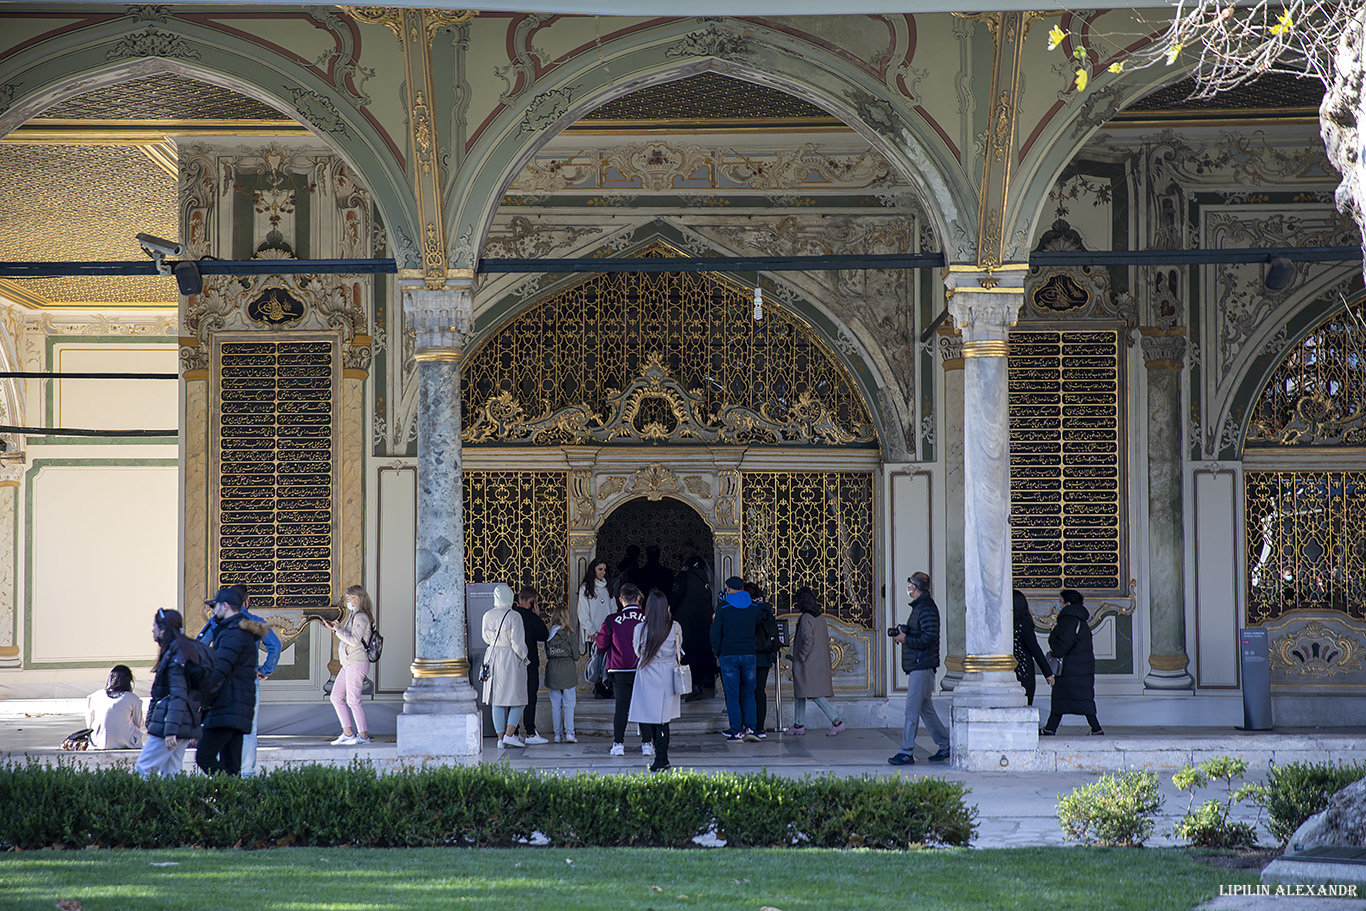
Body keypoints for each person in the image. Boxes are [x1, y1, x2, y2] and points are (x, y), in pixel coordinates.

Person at [199, 584, 281, 775]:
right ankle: (245, 774)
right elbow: (275, 647)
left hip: (222, 681)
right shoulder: (253, 622)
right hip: (248, 681)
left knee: (221, 725)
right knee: (248, 728)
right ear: (246, 601)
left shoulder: (217, 622)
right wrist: (265, 670)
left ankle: (223, 775)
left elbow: (201, 646)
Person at [136, 609, 211, 777]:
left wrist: (171, 729)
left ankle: (147, 804)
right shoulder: (182, 650)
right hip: (183, 722)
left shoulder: (176, 655)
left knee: (143, 768)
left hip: (171, 722)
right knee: (171, 771)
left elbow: (179, 694)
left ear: (163, 630)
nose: (152, 630)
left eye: (154, 626)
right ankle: (174, 803)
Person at [888, 572, 950, 765]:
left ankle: (906, 751)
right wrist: (907, 631)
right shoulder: (921, 607)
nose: (908, 588)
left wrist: (906, 639)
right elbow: (923, 632)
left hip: (921, 665)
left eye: (909, 584)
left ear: (915, 587)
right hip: (919, 664)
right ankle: (945, 745)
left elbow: (929, 637)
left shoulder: (925, 608)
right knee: (926, 710)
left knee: (911, 710)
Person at [628, 590, 682, 772]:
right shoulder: (675, 627)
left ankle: (657, 755)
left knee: (648, 716)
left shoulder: (640, 628)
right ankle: (662, 757)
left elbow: (637, 651)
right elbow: (678, 648)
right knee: (663, 720)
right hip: (667, 674)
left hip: (647, 674)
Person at [596, 581, 650, 757]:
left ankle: (618, 744)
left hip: (619, 670)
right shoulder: (647, 617)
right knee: (644, 707)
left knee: (621, 708)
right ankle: (647, 744)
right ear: (639, 598)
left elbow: (601, 645)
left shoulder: (612, 620)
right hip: (642, 668)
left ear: (620, 599)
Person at [1040, 589, 1104, 736]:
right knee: (1078, 699)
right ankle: (1094, 728)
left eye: (1061, 601)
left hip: (1071, 669)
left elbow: (1063, 645)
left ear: (1068, 603)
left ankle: (1052, 728)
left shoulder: (1069, 620)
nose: (1059, 604)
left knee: (1062, 698)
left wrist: (1053, 647)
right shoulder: (1078, 619)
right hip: (1080, 669)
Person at [784, 588, 845, 737]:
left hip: (807, 663)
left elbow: (808, 640)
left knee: (815, 694)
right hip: (818, 662)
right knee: (800, 692)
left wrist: (801, 657)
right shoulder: (820, 617)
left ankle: (837, 722)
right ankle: (798, 724)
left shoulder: (806, 618)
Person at [323, 585, 375, 746]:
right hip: (348, 664)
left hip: (356, 663)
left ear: (356, 598)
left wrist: (338, 630)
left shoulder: (360, 617)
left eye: (348, 598)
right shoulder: (354, 615)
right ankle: (347, 734)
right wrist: (337, 629)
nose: (346, 601)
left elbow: (354, 641)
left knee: (353, 701)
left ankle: (363, 737)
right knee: (336, 696)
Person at [711, 576, 760, 742]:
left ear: (729, 589)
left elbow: (715, 633)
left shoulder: (723, 608)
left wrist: (718, 652)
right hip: (749, 654)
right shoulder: (754, 607)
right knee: (749, 693)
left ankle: (737, 730)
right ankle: (751, 728)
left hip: (728, 655)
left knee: (732, 695)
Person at [482, 583, 529, 748]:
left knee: (497, 700)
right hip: (510, 657)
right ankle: (510, 734)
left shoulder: (487, 615)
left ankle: (501, 739)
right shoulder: (514, 616)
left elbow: (486, 638)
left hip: (493, 655)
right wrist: (524, 656)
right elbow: (517, 643)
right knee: (519, 697)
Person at [670, 550, 716, 700]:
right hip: (703, 624)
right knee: (700, 653)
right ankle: (699, 685)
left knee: (687, 654)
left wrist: (671, 611)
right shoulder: (706, 581)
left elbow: (676, 596)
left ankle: (691, 687)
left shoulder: (684, 577)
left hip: (686, 623)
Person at [513, 586, 551, 744]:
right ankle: (530, 732)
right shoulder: (530, 617)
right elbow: (544, 635)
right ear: (532, 601)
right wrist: (537, 616)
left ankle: (513, 732)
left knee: (513, 697)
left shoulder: (511, 614)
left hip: (513, 663)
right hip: (529, 662)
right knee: (529, 697)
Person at [543, 603, 581, 743]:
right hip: (567, 669)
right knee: (569, 703)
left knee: (555, 705)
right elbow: (576, 655)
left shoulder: (548, 634)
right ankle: (570, 733)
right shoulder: (570, 634)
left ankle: (557, 735)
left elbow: (547, 653)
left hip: (553, 668)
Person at [578, 558, 614, 699]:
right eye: (600, 569)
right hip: (594, 633)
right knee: (596, 660)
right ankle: (598, 688)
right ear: (593, 570)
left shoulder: (608, 588)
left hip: (607, 632)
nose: (602, 573)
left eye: (604, 570)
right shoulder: (585, 589)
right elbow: (583, 612)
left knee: (607, 661)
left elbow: (613, 609)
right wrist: (592, 631)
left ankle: (606, 687)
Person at [85, 664, 144, 750]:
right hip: (126, 743)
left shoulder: (94, 696)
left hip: (98, 742)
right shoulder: (132, 698)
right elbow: (139, 723)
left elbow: (89, 724)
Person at [747, 582, 779, 738]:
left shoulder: (749, 610)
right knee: (760, 692)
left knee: (748, 692)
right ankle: (761, 728)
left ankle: (750, 726)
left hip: (751, 655)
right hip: (765, 656)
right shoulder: (767, 609)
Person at [1013, 589, 1051, 707]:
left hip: (1020, 671)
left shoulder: (1022, 625)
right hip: (1022, 672)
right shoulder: (1021, 624)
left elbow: (1034, 649)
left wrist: (1047, 673)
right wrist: (1048, 673)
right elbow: (1035, 650)